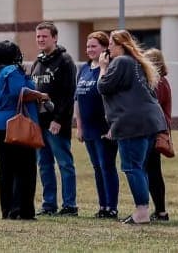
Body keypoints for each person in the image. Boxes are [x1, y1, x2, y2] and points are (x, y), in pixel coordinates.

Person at [97, 30, 167, 225]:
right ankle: (143, 209)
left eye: (110, 43)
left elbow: (103, 87)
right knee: (139, 167)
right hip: (149, 122)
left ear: (120, 45)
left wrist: (103, 67)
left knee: (131, 167)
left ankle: (142, 212)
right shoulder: (136, 62)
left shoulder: (121, 62)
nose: (108, 48)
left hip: (132, 123)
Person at [0, 40, 49, 220]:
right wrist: (40, 95)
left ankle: (7, 209)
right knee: (25, 167)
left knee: (6, 170)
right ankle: (22, 210)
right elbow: (19, 92)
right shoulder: (12, 71)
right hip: (16, 123)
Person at [29, 21, 78, 216]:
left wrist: (58, 119)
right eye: (38, 36)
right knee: (44, 164)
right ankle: (49, 204)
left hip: (56, 124)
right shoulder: (38, 62)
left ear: (55, 38)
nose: (40, 40)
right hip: (39, 123)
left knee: (64, 163)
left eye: (45, 36)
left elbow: (69, 94)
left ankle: (69, 205)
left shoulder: (65, 61)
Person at [74, 31, 119, 219]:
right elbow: (77, 99)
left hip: (104, 126)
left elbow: (114, 99)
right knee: (96, 167)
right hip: (89, 127)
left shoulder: (108, 68)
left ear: (104, 48)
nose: (89, 50)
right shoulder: (84, 69)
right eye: (87, 46)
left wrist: (113, 126)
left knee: (107, 166)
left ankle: (112, 207)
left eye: (94, 46)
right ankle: (102, 205)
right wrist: (79, 126)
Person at [144, 48, 172, 223]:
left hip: (154, 130)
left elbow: (153, 106)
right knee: (152, 171)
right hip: (155, 129)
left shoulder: (159, 83)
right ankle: (158, 210)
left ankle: (160, 211)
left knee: (152, 171)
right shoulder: (162, 82)